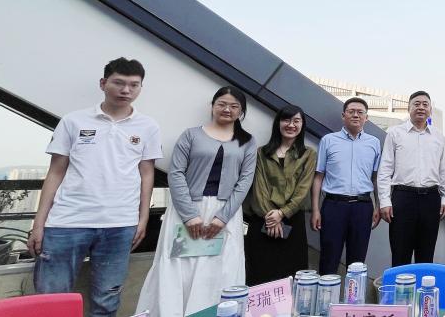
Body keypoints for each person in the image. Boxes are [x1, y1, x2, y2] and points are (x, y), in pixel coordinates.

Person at [30, 57, 162, 317]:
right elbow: (55, 172)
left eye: (134, 85)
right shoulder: (73, 121)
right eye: (119, 83)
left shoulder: (148, 126)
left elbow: (147, 174)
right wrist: (39, 223)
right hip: (67, 222)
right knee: (52, 300)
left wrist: (142, 218)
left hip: (120, 224)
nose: (126, 90)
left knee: (107, 300)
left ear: (140, 88)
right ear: (103, 83)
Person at [137, 86, 257, 316]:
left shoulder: (247, 142)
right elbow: (176, 173)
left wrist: (222, 218)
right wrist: (190, 215)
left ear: (241, 112)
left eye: (234, 106)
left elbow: (245, 181)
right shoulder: (191, 135)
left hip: (225, 213)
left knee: (220, 268)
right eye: (222, 104)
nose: (227, 109)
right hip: (186, 210)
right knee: (179, 267)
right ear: (212, 106)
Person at [243, 105, 316, 285]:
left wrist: (282, 213)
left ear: (302, 125)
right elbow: (259, 187)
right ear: (278, 123)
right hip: (263, 220)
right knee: (260, 271)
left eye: (296, 121)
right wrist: (271, 217)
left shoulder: (308, 154)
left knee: (291, 273)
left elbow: (303, 190)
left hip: (293, 219)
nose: (291, 125)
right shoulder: (261, 152)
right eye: (286, 120)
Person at [377, 91, 445, 265]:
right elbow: (385, 169)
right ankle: (401, 284)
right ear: (408, 108)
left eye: (425, 104)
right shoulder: (395, 133)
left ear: (430, 109)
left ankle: (423, 284)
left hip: (431, 199)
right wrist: (384, 201)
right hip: (403, 198)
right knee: (400, 252)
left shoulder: (438, 136)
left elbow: (443, 170)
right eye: (416, 104)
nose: (421, 107)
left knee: (426, 254)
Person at [311, 97, 382, 275]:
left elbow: (376, 178)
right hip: (333, 206)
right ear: (343, 115)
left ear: (366, 117)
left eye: (360, 112)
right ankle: (326, 293)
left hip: (363, 207)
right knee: (329, 258)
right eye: (351, 111)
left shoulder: (374, 143)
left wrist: (378, 206)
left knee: (357, 262)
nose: (356, 115)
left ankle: (354, 294)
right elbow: (318, 177)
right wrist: (316, 210)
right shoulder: (328, 140)